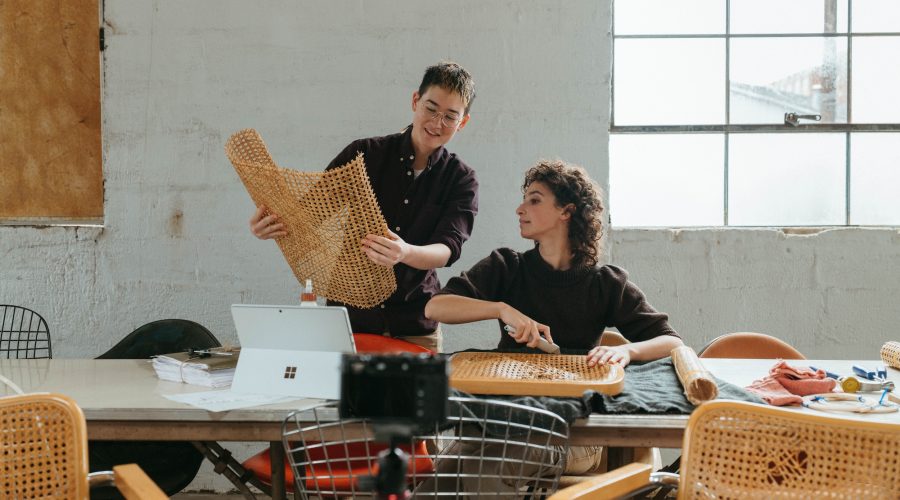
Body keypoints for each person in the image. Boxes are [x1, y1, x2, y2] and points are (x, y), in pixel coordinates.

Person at [423, 159, 683, 487]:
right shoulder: (507, 266)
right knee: (441, 479)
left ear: (566, 211)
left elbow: (672, 342)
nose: (520, 209)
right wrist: (501, 309)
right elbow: (436, 307)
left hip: (571, 430)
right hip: (500, 417)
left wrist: (628, 353)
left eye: (534, 199)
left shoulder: (604, 283)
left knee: (479, 476)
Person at [249, 61, 478, 352]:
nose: (437, 122)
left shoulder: (461, 178)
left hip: (414, 324)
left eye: (450, 117)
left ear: (463, 122)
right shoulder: (364, 154)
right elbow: (309, 215)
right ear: (415, 101)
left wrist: (405, 252)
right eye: (431, 109)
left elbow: (447, 249)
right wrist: (269, 224)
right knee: (345, 399)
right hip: (349, 321)